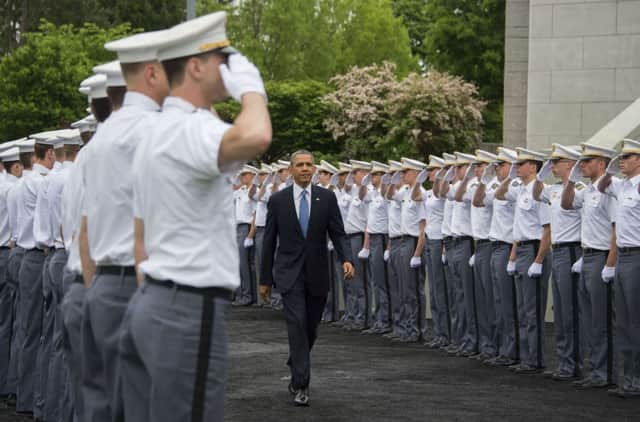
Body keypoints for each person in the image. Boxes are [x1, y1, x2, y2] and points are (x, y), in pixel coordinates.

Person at [123, 11, 271, 422]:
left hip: (154, 299)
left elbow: (140, 238)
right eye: (221, 61)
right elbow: (257, 135)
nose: (229, 69)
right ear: (195, 66)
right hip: (187, 307)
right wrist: (252, 89)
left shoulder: (152, 131)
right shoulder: (192, 129)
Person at [79, 29, 170, 422]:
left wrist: (93, 287)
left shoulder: (97, 143)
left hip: (103, 283)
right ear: (151, 74)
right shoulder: (154, 131)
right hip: (142, 284)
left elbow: (83, 232)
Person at [260, 150, 353, 406]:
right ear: (291, 170)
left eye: (309, 165)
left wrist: (347, 258)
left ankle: (296, 361)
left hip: (317, 273)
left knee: (310, 328)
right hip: (289, 274)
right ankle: (301, 384)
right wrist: (265, 279)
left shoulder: (327, 198)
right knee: (297, 325)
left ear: (314, 170)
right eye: (299, 165)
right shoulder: (278, 200)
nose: (304, 169)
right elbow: (268, 241)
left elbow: (338, 232)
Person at [562, 143, 618, 389]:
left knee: (601, 318)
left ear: (602, 164)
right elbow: (566, 204)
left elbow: (616, 229)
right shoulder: (588, 191)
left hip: (602, 257)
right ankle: (596, 369)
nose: (582, 165)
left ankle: (605, 373)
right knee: (589, 318)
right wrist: (571, 182)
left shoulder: (609, 191)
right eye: (581, 161)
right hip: (587, 256)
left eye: (588, 161)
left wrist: (610, 263)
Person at [496, 147, 552, 374]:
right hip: (521, 249)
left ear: (533, 167)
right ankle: (526, 356)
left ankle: (535, 359)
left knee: (532, 310)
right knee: (522, 307)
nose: (517, 167)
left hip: (534, 249)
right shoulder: (520, 190)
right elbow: (499, 195)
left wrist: (539, 260)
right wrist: (510, 177)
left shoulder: (540, 190)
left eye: (521, 164)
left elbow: (547, 230)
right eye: (516, 164)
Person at [532, 144, 584, 381]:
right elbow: (535, 193)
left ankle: (576, 363)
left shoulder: (581, 189)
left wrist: (583, 256)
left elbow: (589, 224)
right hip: (559, 251)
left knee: (572, 310)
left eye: (557, 162)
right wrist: (539, 176)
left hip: (573, 250)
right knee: (562, 310)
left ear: (570, 164)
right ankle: (565, 362)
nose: (552, 166)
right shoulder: (552, 190)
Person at [15, 133, 56, 414]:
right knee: (35, 332)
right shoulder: (38, 182)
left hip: (29, 256)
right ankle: (30, 399)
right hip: (36, 256)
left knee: (27, 331)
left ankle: (25, 395)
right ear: (47, 154)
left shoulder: (25, 182)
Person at [598, 138, 640, 398]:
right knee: (623, 321)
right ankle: (629, 378)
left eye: (627, 157)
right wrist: (612, 166)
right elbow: (602, 184)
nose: (622, 161)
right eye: (620, 158)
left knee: (636, 320)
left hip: (637, 256)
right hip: (623, 257)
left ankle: (637, 378)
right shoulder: (621, 186)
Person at [0, 146, 23, 399]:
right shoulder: (11, 189)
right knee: (9, 323)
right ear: (15, 166)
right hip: (7, 253)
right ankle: (6, 383)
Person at [359, 161, 391, 334]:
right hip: (372, 238)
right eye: (372, 175)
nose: (373, 178)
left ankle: (384, 319)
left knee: (381, 281)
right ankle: (379, 319)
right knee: (375, 281)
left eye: (376, 175)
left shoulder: (386, 194)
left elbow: (391, 220)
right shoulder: (372, 193)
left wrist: (388, 246)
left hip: (382, 238)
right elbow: (362, 196)